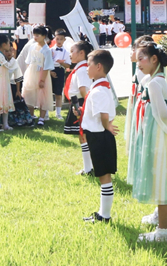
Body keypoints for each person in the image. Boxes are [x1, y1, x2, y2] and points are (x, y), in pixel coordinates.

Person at [132, 42, 167, 243]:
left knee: (161, 180)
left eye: (141, 59)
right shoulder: (156, 80)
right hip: (159, 134)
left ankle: (162, 232)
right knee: (161, 177)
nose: (138, 63)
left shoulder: (154, 83)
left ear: (154, 59)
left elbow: (162, 113)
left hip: (158, 136)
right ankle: (162, 217)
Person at [80, 49, 117, 223]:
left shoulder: (99, 90)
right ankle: (103, 213)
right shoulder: (100, 88)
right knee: (103, 176)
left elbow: (103, 114)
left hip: (100, 136)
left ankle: (105, 215)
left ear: (99, 66)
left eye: (89, 65)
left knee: (104, 177)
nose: (86, 68)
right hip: (98, 135)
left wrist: (106, 125)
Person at [64, 41, 93, 174]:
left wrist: (84, 107)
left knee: (83, 136)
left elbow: (83, 90)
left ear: (82, 53)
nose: (70, 54)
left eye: (72, 51)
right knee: (82, 136)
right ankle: (88, 167)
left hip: (81, 102)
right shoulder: (80, 68)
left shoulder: (82, 70)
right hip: (78, 102)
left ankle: (88, 168)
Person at [22, 26, 54, 126]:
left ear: (43, 36)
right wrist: (28, 73)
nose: (35, 37)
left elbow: (47, 66)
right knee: (29, 94)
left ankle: (41, 118)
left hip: (41, 74)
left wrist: (42, 80)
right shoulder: (32, 46)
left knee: (43, 95)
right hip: (31, 73)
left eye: (37, 35)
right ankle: (31, 115)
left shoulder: (47, 50)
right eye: (34, 35)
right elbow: (28, 61)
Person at [0, 34, 17, 132]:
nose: (10, 45)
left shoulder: (0, 54)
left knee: (5, 100)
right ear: (4, 44)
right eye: (9, 43)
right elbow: (8, 65)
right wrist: (13, 57)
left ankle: (5, 124)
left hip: (3, 79)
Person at [51, 29, 70, 120]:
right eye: (57, 39)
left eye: (61, 39)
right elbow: (46, 62)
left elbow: (68, 65)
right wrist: (50, 71)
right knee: (48, 92)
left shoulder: (66, 52)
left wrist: (62, 63)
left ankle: (58, 113)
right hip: (50, 70)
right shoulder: (50, 50)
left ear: (64, 40)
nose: (59, 41)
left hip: (60, 70)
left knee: (58, 93)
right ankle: (46, 112)